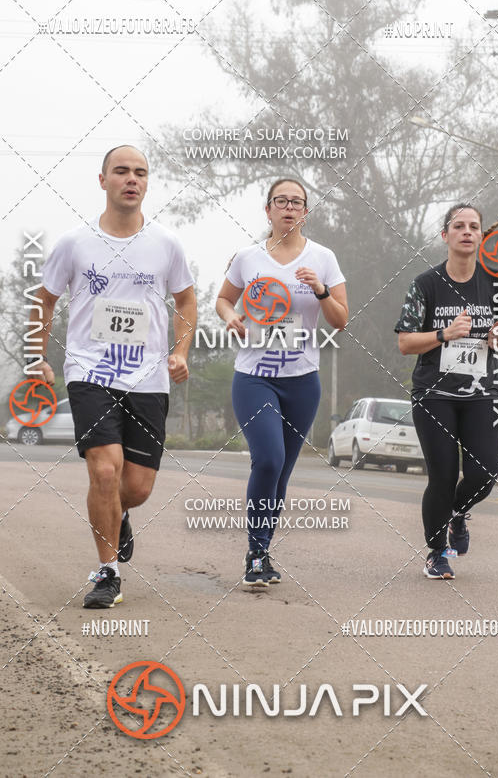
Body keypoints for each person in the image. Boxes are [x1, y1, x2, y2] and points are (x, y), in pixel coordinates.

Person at [33, 145, 196, 607]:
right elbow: (44, 301)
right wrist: (38, 359)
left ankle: (120, 514)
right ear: (102, 180)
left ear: (147, 183)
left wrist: (180, 351)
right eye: (121, 171)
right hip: (90, 370)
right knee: (104, 470)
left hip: (147, 378)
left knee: (136, 488)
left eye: (140, 173)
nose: (132, 179)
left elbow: (186, 302)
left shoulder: (166, 244)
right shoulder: (74, 243)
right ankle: (108, 573)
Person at [216, 179, 348, 587]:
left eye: (297, 202)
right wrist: (230, 318)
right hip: (255, 377)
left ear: (305, 212)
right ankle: (255, 552)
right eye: (281, 201)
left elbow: (341, 320)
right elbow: (223, 299)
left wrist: (321, 290)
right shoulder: (248, 257)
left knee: (283, 472)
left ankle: (262, 551)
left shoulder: (323, 258)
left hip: (302, 381)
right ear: (268, 209)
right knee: (268, 459)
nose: (289, 208)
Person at [395, 203, 498, 579]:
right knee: (442, 477)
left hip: (481, 393)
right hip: (434, 396)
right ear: (445, 235)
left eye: (473, 226)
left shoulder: (497, 285)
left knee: (485, 474)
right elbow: (406, 343)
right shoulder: (425, 284)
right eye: (458, 226)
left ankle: (457, 513)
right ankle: (436, 553)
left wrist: (494, 338)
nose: (466, 231)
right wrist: (445, 333)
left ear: (481, 236)